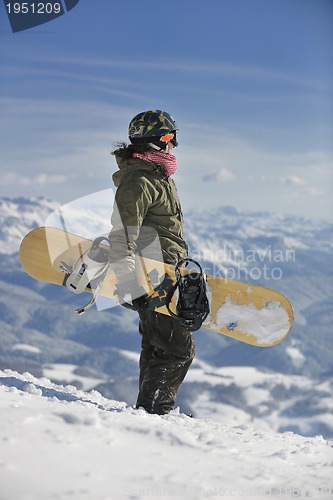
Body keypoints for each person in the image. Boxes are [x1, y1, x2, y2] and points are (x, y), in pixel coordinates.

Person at [108, 110, 195, 415]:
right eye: (171, 138)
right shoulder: (140, 181)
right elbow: (123, 234)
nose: (175, 145)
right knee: (176, 350)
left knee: (158, 346)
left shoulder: (157, 177)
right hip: (153, 276)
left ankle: (147, 414)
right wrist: (130, 284)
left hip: (166, 272)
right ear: (156, 143)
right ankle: (155, 414)